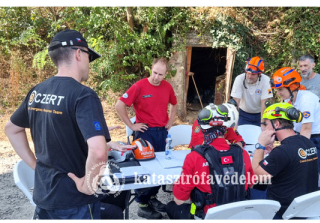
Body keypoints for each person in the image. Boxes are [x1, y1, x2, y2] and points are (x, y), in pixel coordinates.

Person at [4, 29, 134, 219]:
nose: (90, 64)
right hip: (74, 201)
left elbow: (12, 129)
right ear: (78, 54)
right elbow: (98, 152)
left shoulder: (37, 92)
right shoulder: (83, 95)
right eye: (89, 57)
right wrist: (88, 185)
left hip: (44, 196)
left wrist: (36, 166)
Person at [166, 103, 254, 219]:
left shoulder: (194, 157)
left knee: (171, 206)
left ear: (202, 129)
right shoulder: (243, 154)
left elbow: (179, 200)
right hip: (237, 215)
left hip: (208, 216)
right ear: (226, 128)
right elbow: (250, 184)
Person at [115, 57, 177, 219]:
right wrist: (132, 125)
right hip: (145, 133)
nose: (156, 77)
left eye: (161, 74)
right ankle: (142, 204)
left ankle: (151, 197)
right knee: (145, 169)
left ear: (166, 74)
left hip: (162, 133)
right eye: (155, 72)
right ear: (151, 69)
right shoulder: (139, 86)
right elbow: (119, 105)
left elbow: (174, 104)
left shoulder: (167, 87)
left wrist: (171, 121)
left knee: (160, 169)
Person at [252, 102, 319, 219]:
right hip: (306, 207)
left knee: (250, 190)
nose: (265, 128)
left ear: (276, 123)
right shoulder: (307, 142)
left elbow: (257, 176)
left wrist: (260, 145)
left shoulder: (282, 151)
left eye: (266, 124)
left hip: (283, 211)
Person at [270, 67, 320, 188]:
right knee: (300, 171)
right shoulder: (290, 99)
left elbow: (307, 128)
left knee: (315, 172)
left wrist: (296, 151)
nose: (278, 93)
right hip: (302, 136)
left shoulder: (306, 100)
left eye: (280, 89)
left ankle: (318, 200)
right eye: (277, 89)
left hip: (318, 140)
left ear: (292, 87)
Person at [230, 56, 273, 126]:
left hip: (259, 114)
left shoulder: (266, 80)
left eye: (253, 74)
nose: (249, 76)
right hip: (242, 114)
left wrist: (262, 122)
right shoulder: (239, 79)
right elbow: (236, 101)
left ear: (259, 74)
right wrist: (235, 121)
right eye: (248, 73)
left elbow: (264, 102)